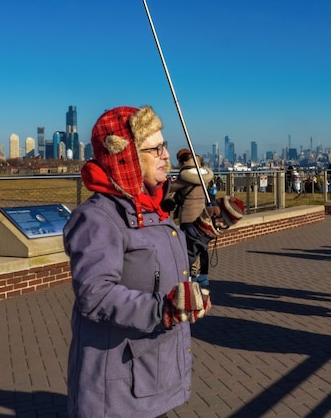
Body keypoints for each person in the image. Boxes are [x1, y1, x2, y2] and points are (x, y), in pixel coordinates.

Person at [63, 105, 207, 417]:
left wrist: (204, 229)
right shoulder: (98, 218)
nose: (165, 155)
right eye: (155, 149)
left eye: (164, 146)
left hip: (153, 374)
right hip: (118, 388)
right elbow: (95, 295)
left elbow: (167, 264)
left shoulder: (151, 208)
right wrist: (165, 307)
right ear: (125, 156)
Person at [171, 149, 244, 289]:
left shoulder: (186, 177)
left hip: (188, 214)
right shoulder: (204, 176)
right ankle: (203, 275)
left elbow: (170, 189)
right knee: (202, 247)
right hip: (204, 213)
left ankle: (189, 275)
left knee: (187, 246)